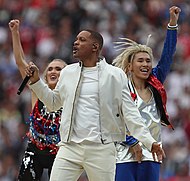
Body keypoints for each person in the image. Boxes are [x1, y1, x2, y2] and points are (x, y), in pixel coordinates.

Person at [25, 29, 165, 181]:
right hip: (69, 147)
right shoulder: (67, 72)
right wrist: (36, 82)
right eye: (76, 39)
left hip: (102, 149)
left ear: (95, 47)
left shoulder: (115, 75)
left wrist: (149, 141)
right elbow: (53, 103)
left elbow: (130, 113)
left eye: (82, 40)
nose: (76, 42)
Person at [112, 6, 181, 181]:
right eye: (140, 60)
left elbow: (167, 56)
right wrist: (130, 141)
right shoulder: (120, 87)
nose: (145, 64)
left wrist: (172, 25)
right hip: (124, 155)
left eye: (148, 61)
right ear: (129, 66)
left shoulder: (155, 83)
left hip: (152, 155)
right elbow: (113, 121)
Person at [9, 19, 67, 181]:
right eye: (50, 69)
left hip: (61, 152)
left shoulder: (70, 96)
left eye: (59, 68)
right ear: (45, 75)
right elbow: (21, 62)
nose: (53, 71)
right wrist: (15, 33)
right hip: (34, 150)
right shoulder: (37, 91)